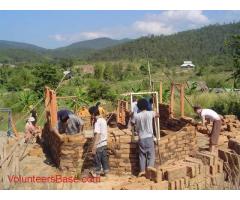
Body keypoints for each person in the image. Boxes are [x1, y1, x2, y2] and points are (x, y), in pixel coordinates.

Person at [134, 98, 159, 177]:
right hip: (149, 137)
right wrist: (155, 110)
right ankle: (150, 167)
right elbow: (158, 115)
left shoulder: (137, 116)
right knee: (151, 154)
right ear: (147, 105)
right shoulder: (150, 113)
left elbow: (135, 126)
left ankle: (142, 171)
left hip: (141, 138)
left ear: (138, 107)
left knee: (142, 156)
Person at [89, 106, 109, 177]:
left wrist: (94, 146)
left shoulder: (97, 122)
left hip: (99, 143)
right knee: (104, 158)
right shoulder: (103, 120)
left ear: (93, 114)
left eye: (91, 114)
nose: (91, 116)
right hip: (104, 142)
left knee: (97, 159)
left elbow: (97, 134)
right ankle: (106, 172)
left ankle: (97, 173)